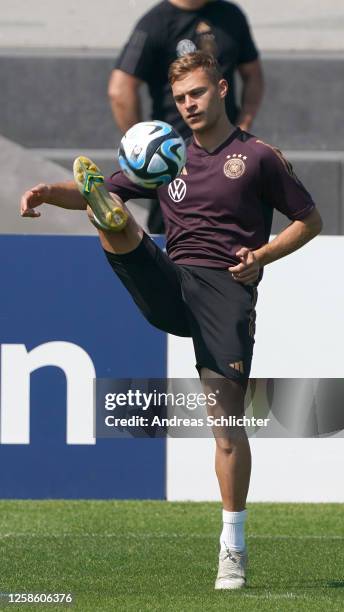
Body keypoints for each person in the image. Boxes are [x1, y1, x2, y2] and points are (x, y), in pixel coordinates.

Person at [20, 51, 322, 590]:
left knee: (226, 426)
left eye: (198, 94)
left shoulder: (258, 159)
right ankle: (113, 226)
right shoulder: (162, 154)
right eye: (182, 99)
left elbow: (310, 219)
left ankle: (233, 546)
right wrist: (50, 194)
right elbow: (108, 185)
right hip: (172, 277)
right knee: (113, 216)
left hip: (226, 292)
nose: (190, 105)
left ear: (223, 89)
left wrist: (263, 256)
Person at [108, 0, 264, 233]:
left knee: (230, 229)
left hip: (228, 151)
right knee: (172, 237)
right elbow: (120, 90)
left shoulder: (231, 15)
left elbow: (253, 75)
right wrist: (144, 147)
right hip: (174, 158)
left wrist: (245, 122)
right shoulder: (155, 23)